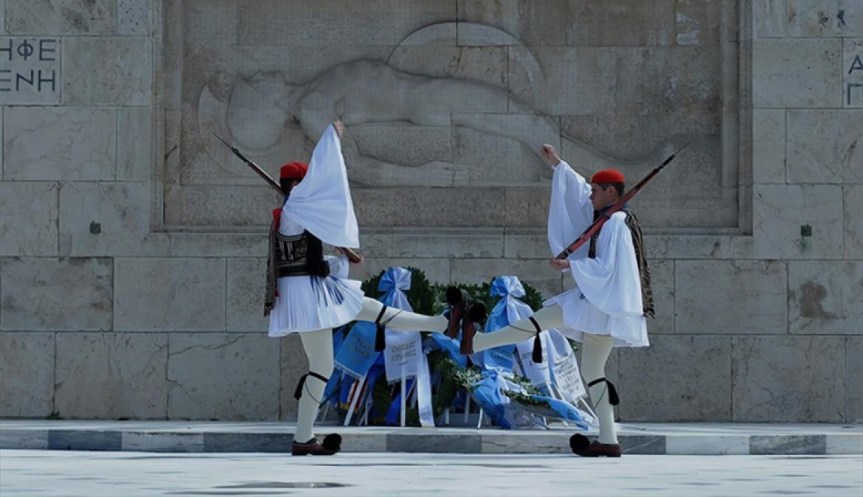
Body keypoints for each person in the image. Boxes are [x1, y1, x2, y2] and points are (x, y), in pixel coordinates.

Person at [264, 121, 450, 455]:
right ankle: (302, 438)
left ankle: (438, 323)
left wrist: (339, 254)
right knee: (322, 366)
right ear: (297, 186)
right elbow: (321, 181)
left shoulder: (297, 212)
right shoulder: (296, 209)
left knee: (375, 311)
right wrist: (333, 138)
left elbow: (313, 249)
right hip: (306, 297)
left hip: (314, 289)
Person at [465, 143, 654, 458]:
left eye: (596, 190)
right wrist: (558, 166)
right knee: (593, 371)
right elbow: (579, 195)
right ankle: (608, 439)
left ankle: (480, 342)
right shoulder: (609, 216)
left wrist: (572, 264)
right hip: (603, 309)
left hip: (600, 304)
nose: (590, 195)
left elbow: (609, 268)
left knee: (546, 316)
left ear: (610, 192)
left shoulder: (618, 223)